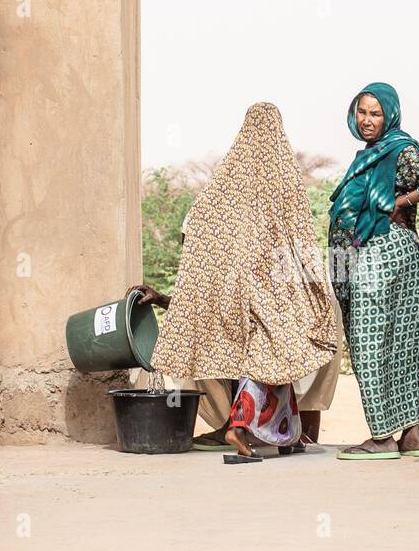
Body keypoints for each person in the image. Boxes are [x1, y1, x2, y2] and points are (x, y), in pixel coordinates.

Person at [132, 102, 338, 460]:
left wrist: (173, 299)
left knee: (266, 360)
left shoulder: (217, 194)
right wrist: (316, 292)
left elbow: (196, 260)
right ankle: (240, 427)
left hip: (227, 298)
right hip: (272, 294)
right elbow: (303, 241)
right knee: (271, 357)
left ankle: (283, 434)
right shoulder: (284, 184)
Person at [328, 85, 419, 460]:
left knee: (370, 344)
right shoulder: (371, 154)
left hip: (384, 254)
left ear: (391, 116)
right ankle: (412, 435)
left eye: (376, 114)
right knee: (402, 344)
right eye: (362, 113)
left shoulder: (400, 149)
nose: (367, 121)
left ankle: (383, 437)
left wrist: (399, 201)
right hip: (387, 257)